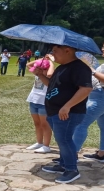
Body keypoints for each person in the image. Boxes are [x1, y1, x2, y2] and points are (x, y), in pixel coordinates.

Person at [34, 45, 92, 183]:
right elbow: (53, 85)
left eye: (55, 51)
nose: (53, 54)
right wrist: (40, 75)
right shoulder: (61, 67)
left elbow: (86, 88)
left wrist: (67, 106)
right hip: (55, 111)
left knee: (65, 140)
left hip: (68, 112)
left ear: (68, 50)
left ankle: (71, 169)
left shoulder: (79, 68)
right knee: (62, 139)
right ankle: (63, 163)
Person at [25, 53, 55, 154]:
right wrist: (42, 59)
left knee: (45, 124)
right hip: (34, 99)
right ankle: (39, 142)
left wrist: (50, 62)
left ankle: (46, 146)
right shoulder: (38, 72)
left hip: (44, 101)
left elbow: (50, 75)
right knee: (37, 123)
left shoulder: (49, 73)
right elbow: (28, 64)